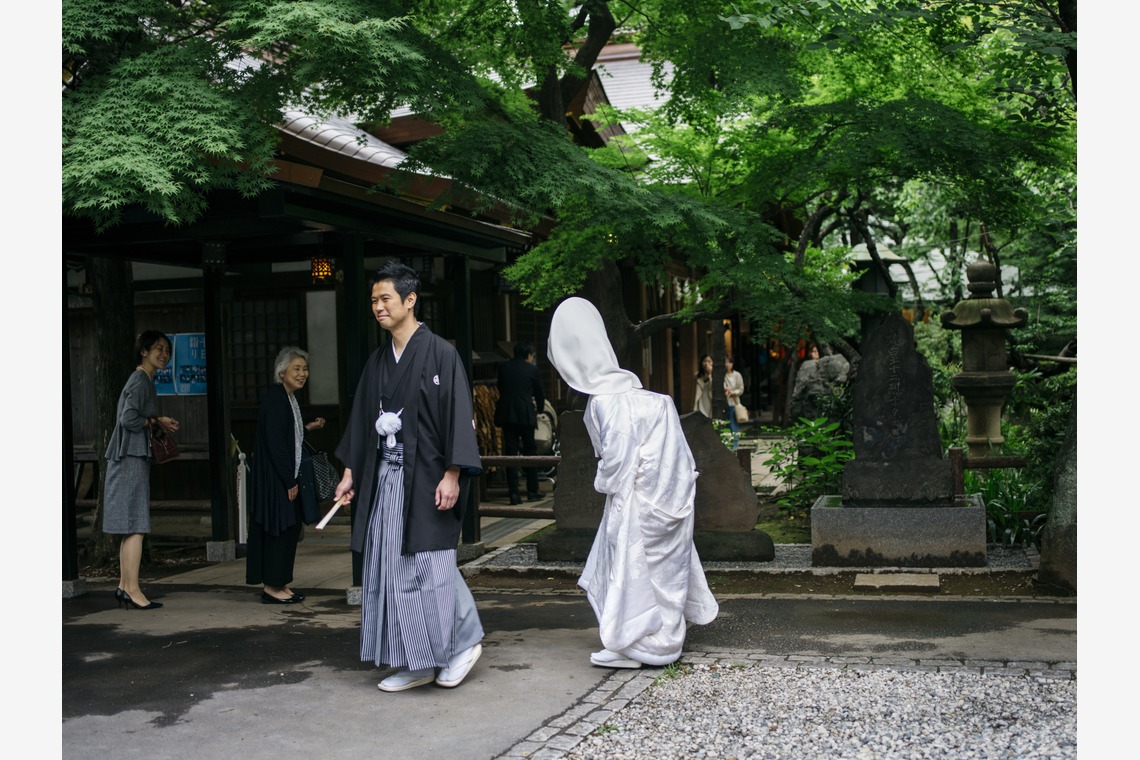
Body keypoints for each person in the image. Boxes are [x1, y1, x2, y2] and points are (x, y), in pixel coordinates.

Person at [334, 261, 485, 693]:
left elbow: (458, 415)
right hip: (385, 477)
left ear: (410, 300)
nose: (378, 307)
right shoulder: (379, 360)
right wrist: (350, 473)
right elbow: (364, 421)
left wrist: (453, 473)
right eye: (374, 301)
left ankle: (463, 644)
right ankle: (415, 660)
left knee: (431, 563)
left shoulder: (440, 352)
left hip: (428, 475)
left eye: (385, 299)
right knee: (391, 565)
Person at [547, 297, 719, 669]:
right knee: (659, 573)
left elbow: (618, 462)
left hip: (638, 500)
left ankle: (638, 644)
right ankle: (657, 641)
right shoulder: (639, 397)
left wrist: (604, 483)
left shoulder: (606, 401)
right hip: (670, 495)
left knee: (632, 571)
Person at [104, 330, 180, 610]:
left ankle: (125, 587)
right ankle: (134, 589)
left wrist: (156, 420)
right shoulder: (140, 380)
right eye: (158, 348)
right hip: (131, 456)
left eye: (167, 351)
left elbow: (133, 416)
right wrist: (153, 421)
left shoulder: (141, 379)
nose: (164, 355)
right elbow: (128, 419)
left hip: (126, 456)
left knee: (130, 526)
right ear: (143, 351)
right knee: (136, 525)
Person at [246, 347, 326, 604]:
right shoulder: (275, 398)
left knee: (289, 528)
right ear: (282, 372)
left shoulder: (287, 398)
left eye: (305, 369)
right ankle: (272, 586)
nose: (303, 374)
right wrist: (288, 481)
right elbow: (277, 444)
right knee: (280, 528)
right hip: (275, 478)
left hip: (281, 475)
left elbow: (287, 434)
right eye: (297, 369)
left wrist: (307, 427)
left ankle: (279, 583)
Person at [495, 340, 545, 504]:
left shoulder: (504, 368)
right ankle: (532, 491)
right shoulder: (532, 369)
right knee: (530, 451)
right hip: (525, 414)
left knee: (510, 453)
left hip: (508, 413)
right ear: (528, 355)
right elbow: (539, 392)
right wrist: (540, 408)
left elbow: (501, 388)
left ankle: (514, 494)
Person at [723, 355, 745, 451]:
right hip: (724, 403)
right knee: (726, 425)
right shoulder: (722, 376)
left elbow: (741, 389)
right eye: (726, 362)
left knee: (733, 425)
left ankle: (734, 446)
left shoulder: (737, 375)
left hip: (734, 403)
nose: (728, 364)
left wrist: (732, 392)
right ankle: (729, 445)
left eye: (730, 362)